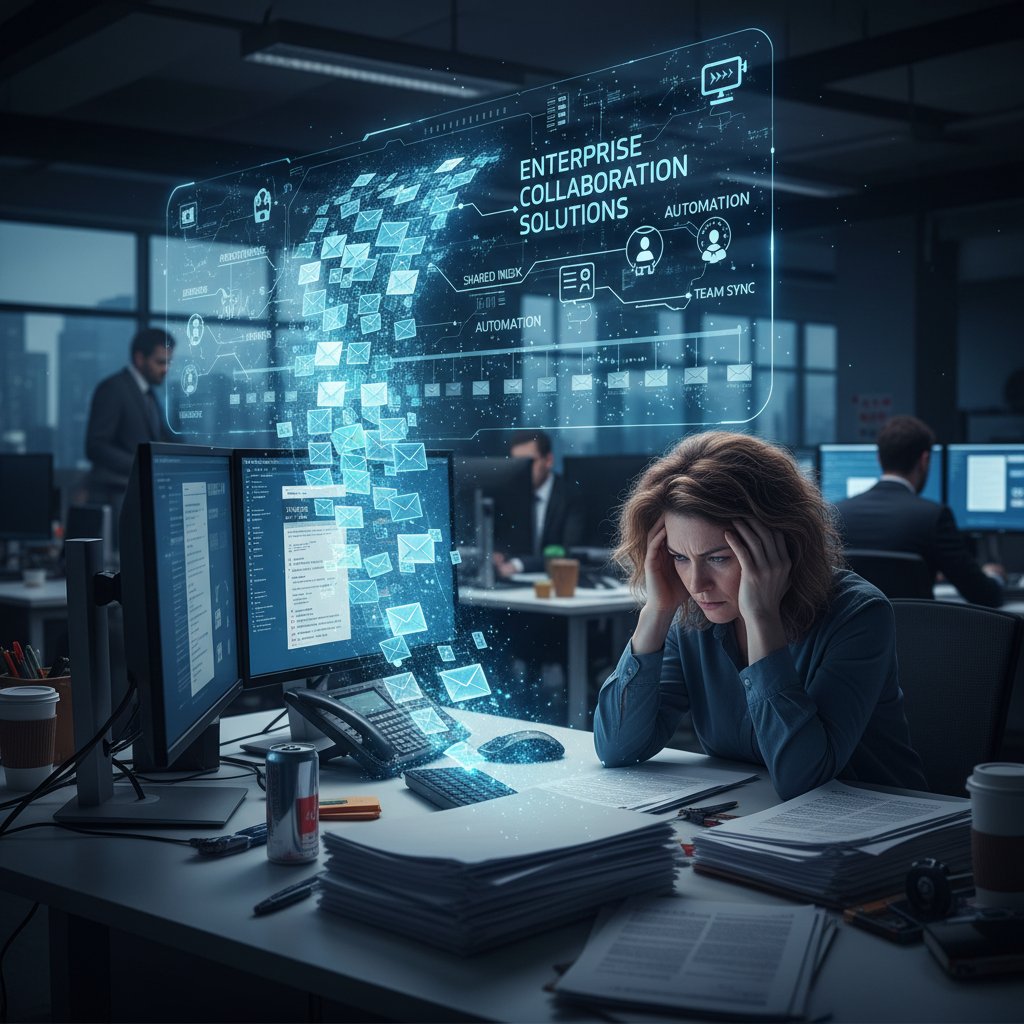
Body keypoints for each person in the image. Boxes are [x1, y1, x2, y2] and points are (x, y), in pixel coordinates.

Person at [594, 431, 927, 801]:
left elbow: (803, 779)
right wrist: (657, 611)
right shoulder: (692, 618)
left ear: (780, 542)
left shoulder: (859, 615)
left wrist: (761, 619)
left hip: (872, 826)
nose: (697, 583)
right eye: (679, 557)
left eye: (718, 558)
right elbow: (616, 749)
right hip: (754, 822)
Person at [833, 415, 1004, 607]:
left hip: (856, 633)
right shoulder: (933, 516)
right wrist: (994, 577)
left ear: (879, 459)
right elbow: (984, 595)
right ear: (924, 460)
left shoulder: (839, 513)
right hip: (915, 634)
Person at [84, 327, 176, 524]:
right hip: (115, 498)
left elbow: (161, 437)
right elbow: (96, 447)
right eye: (160, 362)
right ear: (140, 358)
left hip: (139, 496)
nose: (166, 369)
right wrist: (142, 465)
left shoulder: (149, 395)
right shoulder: (113, 389)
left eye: (169, 362)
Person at [492, 429, 586, 577]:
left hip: (558, 582)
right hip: (515, 584)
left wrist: (518, 565)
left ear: (548, 460)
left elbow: (569, 552)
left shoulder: (571, 496)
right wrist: (498, 554)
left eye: (530, 462)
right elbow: (502, 540)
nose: (522, 469)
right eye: (517, 463)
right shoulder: (509, 496)